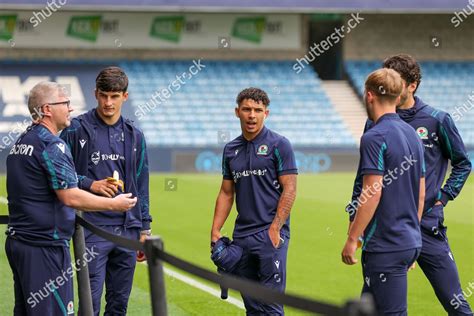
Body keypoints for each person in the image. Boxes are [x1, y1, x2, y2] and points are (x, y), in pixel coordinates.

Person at [346, 54, 473, 315]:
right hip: (386, 230)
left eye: (395, 80)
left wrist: (444, 196)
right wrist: (353, 214)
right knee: (372, 304)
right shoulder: (374, 123)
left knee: (455, 302)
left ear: (412, 85)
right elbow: (364, 177)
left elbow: (463, 163)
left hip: (426, 226)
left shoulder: (437, 120)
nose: (387, 85)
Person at [5, 81, 137, 316]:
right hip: (44, 248)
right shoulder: (53, 145)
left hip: (21, 243)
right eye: (64, 103)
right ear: (47, 109)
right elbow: (70, 196)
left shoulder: (23, 141)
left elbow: (54, 176)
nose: (70, 108)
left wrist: (91, 184)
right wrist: (114, 204)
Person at [60, 66, 151, 315]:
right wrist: (92, 184)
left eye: (114, 96)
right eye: (103, 95)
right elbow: (60, 176)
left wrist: (145, 228)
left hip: (128, 230)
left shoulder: (135, 135)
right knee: (90, 304)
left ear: (125, 96)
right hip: (91, 227)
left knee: (119, 304)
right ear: (95, 94)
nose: (108, 102)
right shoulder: (75, 129)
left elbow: (142, 184)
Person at [341, 68, 426, 315]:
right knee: (368, 309)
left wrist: (352, 238)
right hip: (407, 241)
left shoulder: (374, 136)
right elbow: (421, 193)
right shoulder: (412, 134)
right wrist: (413, 239)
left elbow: (372, 192)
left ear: (369, 95)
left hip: (386, 245)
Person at [210, 87, 298, 315]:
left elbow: (290, 188)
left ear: (266, 113)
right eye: (247, 109)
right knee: (253, 305)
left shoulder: (280, 144)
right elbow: (226, 193)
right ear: (237, 112)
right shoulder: (231, 149)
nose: (252, 115)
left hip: (271, 236)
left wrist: (276, 228)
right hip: (242, 238)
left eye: (258, 110)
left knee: (270, 305)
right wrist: (215, 231)